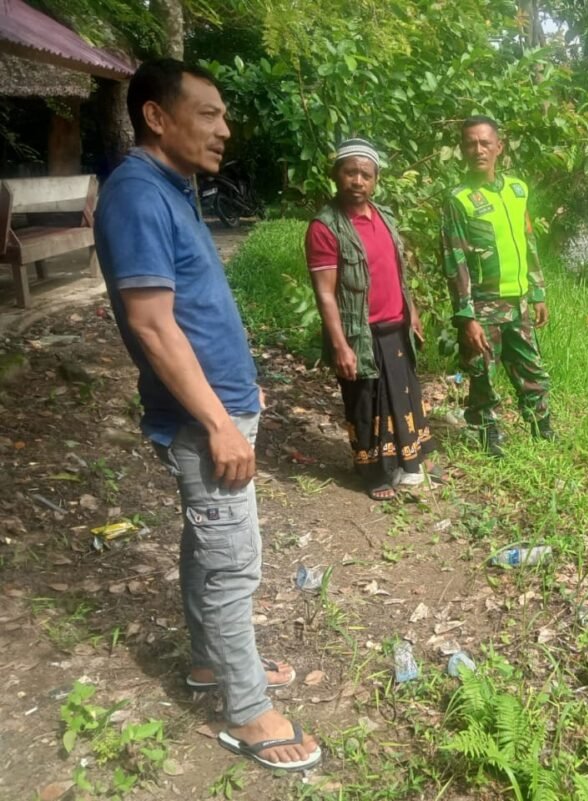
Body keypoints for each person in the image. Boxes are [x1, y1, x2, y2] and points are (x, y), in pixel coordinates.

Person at [93, 58, 321, 772]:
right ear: (157, 116)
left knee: (207, 546)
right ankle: (249, 712)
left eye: (224, 116)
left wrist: (242, 391)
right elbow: (153, 324)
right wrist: (220, 420)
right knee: (230, 563)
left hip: (220, 406)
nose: (224, 129)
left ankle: (206, 661)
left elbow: (192, 307)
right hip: (202, 421)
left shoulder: (171, 188)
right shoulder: (136, 194)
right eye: (208, 114)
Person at [305, 139, 437, 500]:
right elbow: (325, 294)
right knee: (366, 404)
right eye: (351, 172)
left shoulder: (384, 217)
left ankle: (406, 463)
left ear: (376, 180)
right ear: (337, 176)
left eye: (366, 174)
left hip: (395, 325)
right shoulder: (325, 227)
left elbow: (397, 272)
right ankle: (374, 474)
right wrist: (340, 345)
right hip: (358, 334)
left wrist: (413, 314)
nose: (358, 181)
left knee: (402, 398)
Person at [440, 116, 554, 457]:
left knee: (531, 370)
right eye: (471, 144)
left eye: (485, 143)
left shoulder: (517, 190)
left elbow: (528, 241)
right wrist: (466, 317)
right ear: (463, 150)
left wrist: (537, 292)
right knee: (483, 375)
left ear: (499, 147)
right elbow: (453, 262)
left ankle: (542, 430)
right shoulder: (458, 199)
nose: (479, 150)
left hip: (518, 301)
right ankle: (488, 436)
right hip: (482, 306)